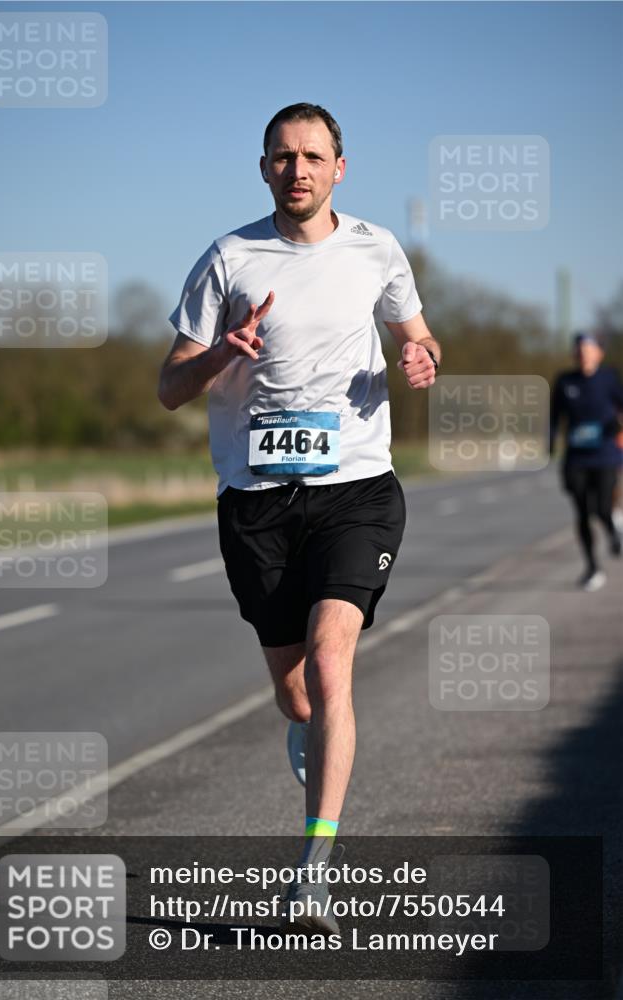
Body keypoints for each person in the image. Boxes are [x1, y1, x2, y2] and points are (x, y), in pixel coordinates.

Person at [158, 103, 440, 933]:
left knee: (328, 661)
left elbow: (419, 337)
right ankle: (309, 735)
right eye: (282, 157)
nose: (297, 170)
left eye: (312, 157)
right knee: (296, 693)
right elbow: (170, 388)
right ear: (263, 168)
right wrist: (223, 350)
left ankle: (312, 873)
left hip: (356, 488)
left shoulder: (377, 249)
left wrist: (420, 356)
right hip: (256, 503)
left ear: (338, 168)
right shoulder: (228, 258)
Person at [550, 332, 623, 591]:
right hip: (576, 457)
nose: (583, 354)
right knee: (581, 512)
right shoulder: (564, 381)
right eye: (579, 350)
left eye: (588, 349)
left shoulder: (609, 378)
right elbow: (554, 416)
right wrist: (550, 441)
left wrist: (618, 426)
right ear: (574, 354)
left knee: (602, 508)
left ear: (599, 354)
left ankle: (612, 532)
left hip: (605, 455)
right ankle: (592, 567)